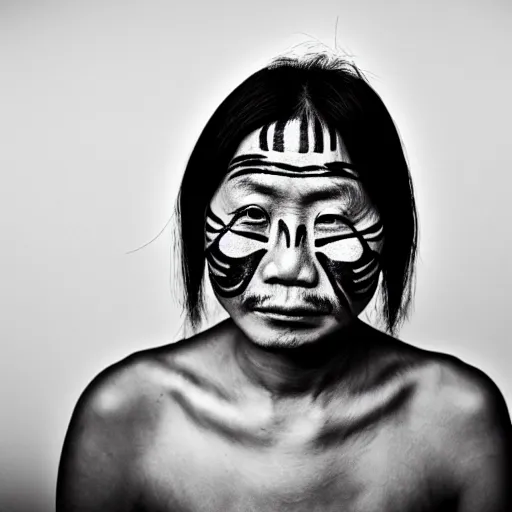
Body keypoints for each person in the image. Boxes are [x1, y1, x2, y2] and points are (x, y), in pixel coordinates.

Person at [56, 51, 511, 512]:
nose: (290, 266)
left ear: (392, 230)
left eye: (333, 220)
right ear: (200, 220)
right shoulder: (126, 415)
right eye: (253, 215)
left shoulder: (457, 418)